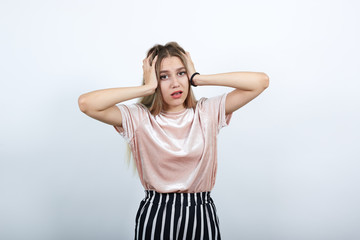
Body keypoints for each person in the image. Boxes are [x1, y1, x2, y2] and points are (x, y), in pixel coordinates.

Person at [78, 42, 269, 240]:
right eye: (164, 76)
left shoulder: (207, 113)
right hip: (157, 214)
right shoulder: (140, 119)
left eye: (181, 73)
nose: (175, 83)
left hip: (200, 214)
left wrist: (198, 78)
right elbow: (87, 104)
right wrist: (146, 88)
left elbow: (260, 81)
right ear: (154, 80)